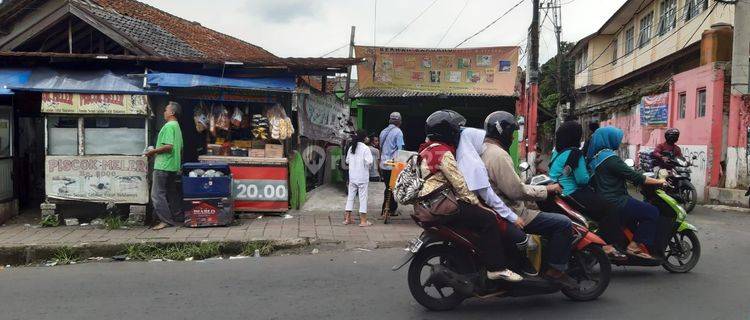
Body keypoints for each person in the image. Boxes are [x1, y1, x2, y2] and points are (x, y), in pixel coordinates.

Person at [419, 110, 522, 282]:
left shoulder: (427, 149)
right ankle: (496, 268)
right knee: (489, 219)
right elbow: (461, 185)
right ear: (449, 132)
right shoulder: (445, 153)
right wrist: (477, 204)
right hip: (443, 203)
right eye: (457, 130)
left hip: (429, 202)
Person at [482, 111, 577, 288]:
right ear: (502, 132)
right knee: (563, 223)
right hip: (512, 210)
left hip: (498, 206)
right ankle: (555, 271)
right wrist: (546, 189)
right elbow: (516, 190)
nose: (511, 137)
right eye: (511, 133)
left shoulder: (484, 150)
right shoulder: (498, 155)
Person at [456, 127, 534, 277]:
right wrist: (513, 217)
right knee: (518, 237)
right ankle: (498, 268)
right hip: (474, 206)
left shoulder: (462, 157)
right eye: (481, 142)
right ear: (472, 142)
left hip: (467, 204)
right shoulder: (473, 163)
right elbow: (489, 196)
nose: (484, 146)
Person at [548, 120, 627, 260]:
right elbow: (582, 179)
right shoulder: (575, 153)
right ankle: (608, 245)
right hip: (572, 193)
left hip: (558, 192)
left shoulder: (557, 152)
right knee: (610, 208)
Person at [587, 126, 665, 260]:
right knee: (652, 212)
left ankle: (627, 243)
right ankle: (633, 247)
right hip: (617, 200)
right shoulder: (610, 158)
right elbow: (635, 176)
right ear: (609, 139)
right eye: (618, 139)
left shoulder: (595, 157)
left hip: (604, 200)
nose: (619, 141)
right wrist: (659, 181)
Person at [145, 102, 184, 230]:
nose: (164, 112)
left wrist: (152, 152)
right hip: (173, 165)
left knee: (157, 194)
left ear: (172, 113)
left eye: (166, 109)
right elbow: (180, 148)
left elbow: (168, 147)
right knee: (171, 192)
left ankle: (166, 220)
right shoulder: (177, 126)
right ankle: (178, 217)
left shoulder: (168, 126)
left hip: (163, 165)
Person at [344, 130, 374, 227]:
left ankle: (347, 218)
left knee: (350, 197)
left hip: (352, 176)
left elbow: (347, 161)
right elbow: (369, 162)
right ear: (364, 138)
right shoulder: (365, 148)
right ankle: (363, 221)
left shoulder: (351, 147)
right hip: (362, 177)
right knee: (363, 198)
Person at [379, 112, 404, 217]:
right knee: (393, 187)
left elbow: (380, 147)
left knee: (388, 186)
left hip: (384, 164)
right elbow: (400, 149)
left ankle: (386, 209)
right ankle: (389, 209)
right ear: (399, 121)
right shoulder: (398, 132)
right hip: (393, 164)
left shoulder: (383, 132)